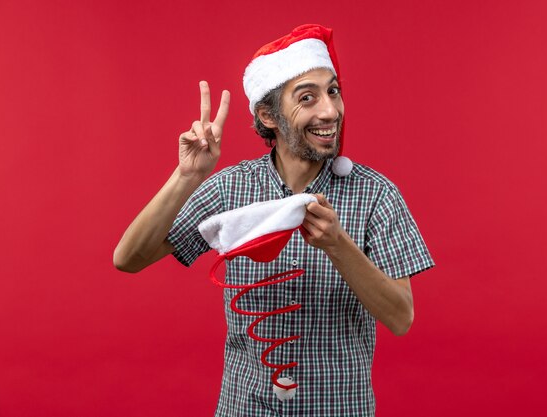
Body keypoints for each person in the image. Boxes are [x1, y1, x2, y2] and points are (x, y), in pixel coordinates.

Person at [114, 24, 434, 416]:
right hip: (246, 407)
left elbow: (401, 317)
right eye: (307, 97)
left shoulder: (376, 194)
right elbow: (128, 258)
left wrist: (338, 243)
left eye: (333, 91)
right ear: (268, 115)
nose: (329, 111)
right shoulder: (231, 189)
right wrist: (186, 176)